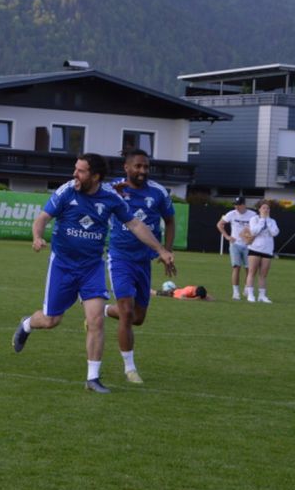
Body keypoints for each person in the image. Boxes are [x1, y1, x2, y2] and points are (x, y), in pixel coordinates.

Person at [12, 153, 174, 392]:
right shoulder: (67, 191)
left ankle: (92, 378)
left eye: (80, 171)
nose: (74, 175)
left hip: (92, 267)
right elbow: (43, 218)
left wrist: (161, 249)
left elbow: (135, 225)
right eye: (75, 169)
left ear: (95, 176)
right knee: (50, 320)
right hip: (63, 266)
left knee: (96, 319)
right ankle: (27, 324)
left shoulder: (110, 196)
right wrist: (37, 237)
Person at [103, 149, 177, 385]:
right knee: (126, 312)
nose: (142, 171)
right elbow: (90, 197)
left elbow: (170, 220)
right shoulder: (113, 188)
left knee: (138, 318)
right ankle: (130, 368)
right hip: (120, 258)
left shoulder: (158, 192)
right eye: (138, 166)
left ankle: (103, 310)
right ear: (126, 167)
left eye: (146, 167)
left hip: (144, 260)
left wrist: (167, 249)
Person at [216, 196, 255, 300]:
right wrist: (227, 236)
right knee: (236, 267)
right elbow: (220, 224)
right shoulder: (231, 214)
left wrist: (251, 238)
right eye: (235, 205)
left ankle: (247, 288)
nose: (236, 207)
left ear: (244, 205)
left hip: (248, 246)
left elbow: (256, 229)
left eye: (239, 205)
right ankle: (236, 292)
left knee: (249, 269)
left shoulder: (253, 215)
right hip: (235, 245)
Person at [243, 201, 279, 303]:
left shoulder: (272, 221)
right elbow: (254, 231)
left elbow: (275, 232)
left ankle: (262, 296)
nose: (266, 210)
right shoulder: (254, 219)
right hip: (255, 249)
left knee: (263, 275)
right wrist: (262, 220)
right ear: (259, 209)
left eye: (267, 208)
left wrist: (267, 220)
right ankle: (250, 294)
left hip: (267, 251)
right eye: (263, 208)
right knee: (251, 273)